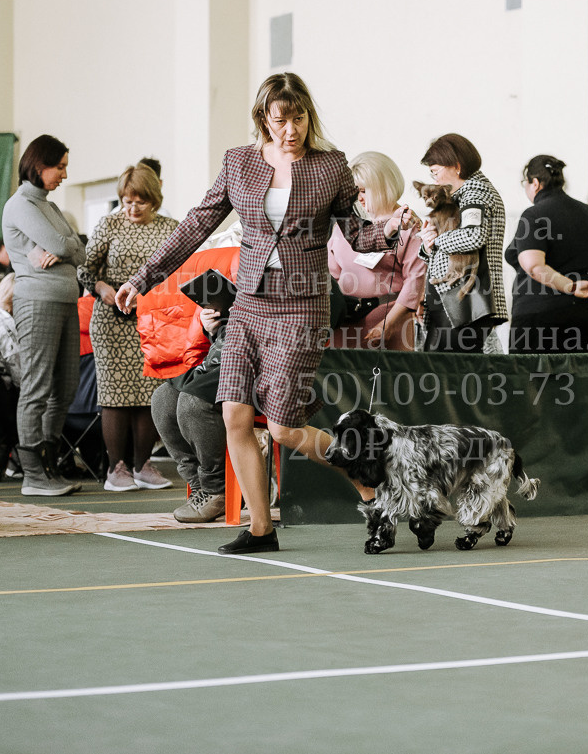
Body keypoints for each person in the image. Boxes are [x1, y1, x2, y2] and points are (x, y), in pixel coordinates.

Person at [116, 72, 413, 553]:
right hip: (249, 305)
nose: (291, 129)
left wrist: (392, 229)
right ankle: (260, 529)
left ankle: (369, 485)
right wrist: (143, 277)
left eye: (299, 118)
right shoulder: (239, 163)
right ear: (263, 119)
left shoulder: (330, 166)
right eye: (281, 120)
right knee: (233, 413)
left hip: (300, 309)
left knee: (282, 427)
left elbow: (357, 236)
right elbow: (196, 224)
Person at [78, 163, 179, 492]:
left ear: (154, 198)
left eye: (140, 201)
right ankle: (115, 468)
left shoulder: (170, 228)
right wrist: (102, 288)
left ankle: (142, 465)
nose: (132, 208)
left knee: (149, 394)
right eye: (126, 200)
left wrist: (150, 297)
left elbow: (179, 274)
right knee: (115, 395)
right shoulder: (108, 224)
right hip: (110, 322)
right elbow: (86, 270)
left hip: (151, 319)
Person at [2, 134, 86, 497]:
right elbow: (65, 244)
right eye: (61, 166)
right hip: (37, 302)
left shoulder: (48, 206)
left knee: (65, 388)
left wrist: (66, 247)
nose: (65, 174)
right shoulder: (20, 204)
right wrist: (66, 246)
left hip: (65, 301)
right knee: (37, 387)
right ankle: (32, 475)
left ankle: (49, 465)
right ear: (39, 166)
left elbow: (79, 250)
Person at [505, 155, 588, 353]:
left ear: (536, 184)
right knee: (579, 380)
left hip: (541, 316)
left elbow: (533, 265)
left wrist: (570, 286)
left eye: (526, 183)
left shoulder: (533, 215)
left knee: (531, 381)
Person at [418, 133, 508, 353]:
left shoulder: (475, 194)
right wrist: (428, 243)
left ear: (456, 166)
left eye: (436, 172)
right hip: (455, 301)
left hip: (467, 303)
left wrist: (437, 240)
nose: (435, 179)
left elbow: (473, 236)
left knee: (453, 377)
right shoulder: (458, 196)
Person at [328, 151, 426, 350]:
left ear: (383, 187)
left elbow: (414, 281)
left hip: (388, 323)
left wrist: (388, 324)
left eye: (364, 191)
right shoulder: (345, 226)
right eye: (355, 191)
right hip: (345, 323)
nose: (359, 198)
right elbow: (332, 274)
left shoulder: (408, 226)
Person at [154, 306, 229, 522]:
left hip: (262, 361)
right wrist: (212, 326)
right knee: (163, 400)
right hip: (222, 357)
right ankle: (199, 485)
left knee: (193, 402)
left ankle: (216, 488)